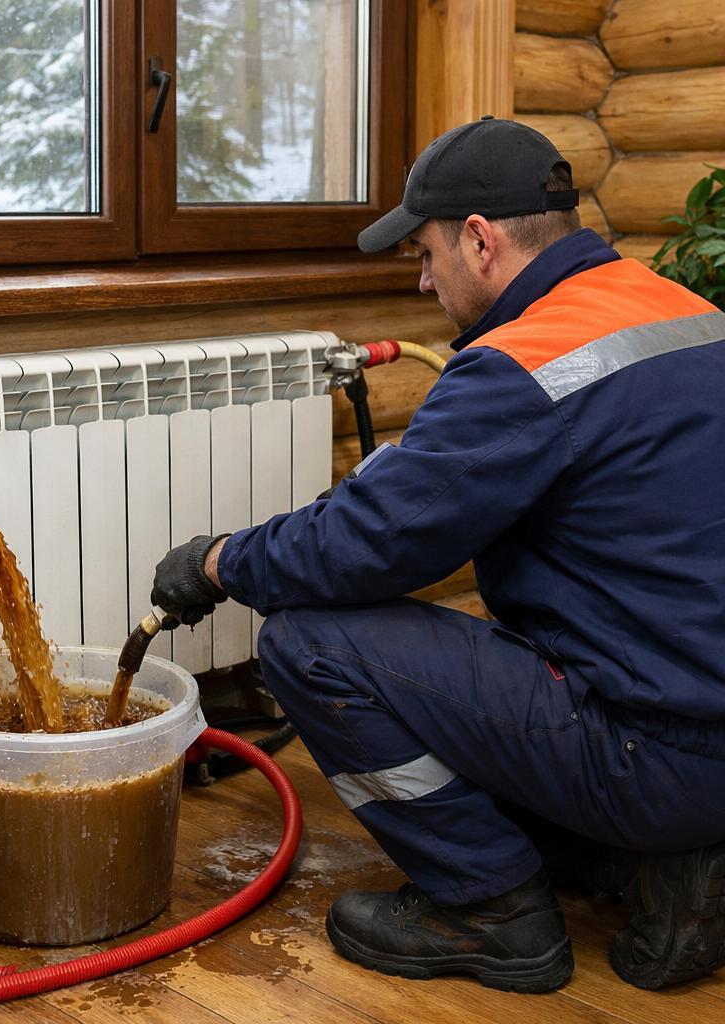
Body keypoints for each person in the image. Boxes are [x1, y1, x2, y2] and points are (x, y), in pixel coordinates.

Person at [150, 117, 725, 994]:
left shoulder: (523, 364)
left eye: (424, 253)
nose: (422, 280)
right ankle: (662, 869)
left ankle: (490, 909)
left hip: (658, 755)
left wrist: (220, 562)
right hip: (702, 730)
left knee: (309, 643)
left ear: (481, 240)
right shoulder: (684, 310)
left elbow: (364, 546)